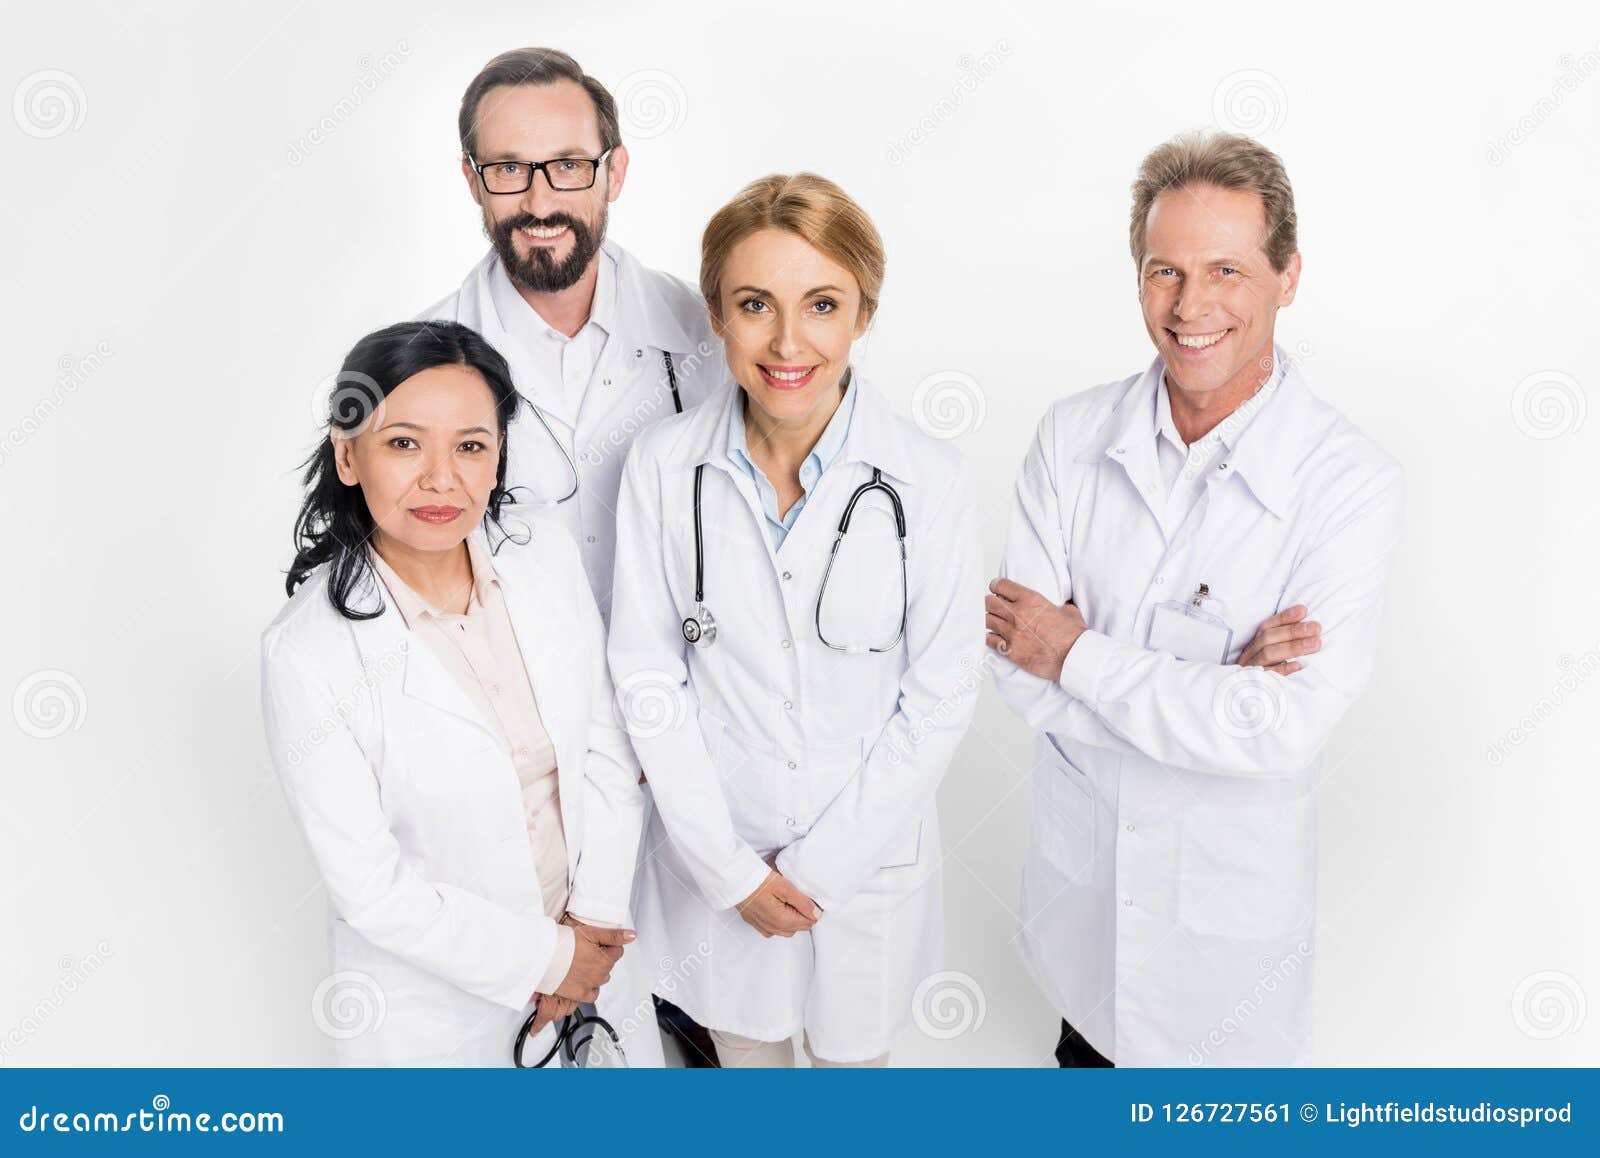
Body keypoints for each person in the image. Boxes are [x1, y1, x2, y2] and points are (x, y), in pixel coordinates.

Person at [986, 132, 1403, 1066]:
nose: (1191, 305)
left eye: (1227, 269)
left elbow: (1281, 732)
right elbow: (1015, 676)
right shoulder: (1069, 437)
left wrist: (1079, 655)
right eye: (1163, 271)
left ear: (1288, 276)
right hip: (1084, 945)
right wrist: (1216, 689)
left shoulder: (1350, 482)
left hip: (1227, 978)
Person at [607, 174, 984, 1067]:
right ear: (715, 315)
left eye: (821, 304)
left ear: (863, 313)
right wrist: (730, 870)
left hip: (867, 869)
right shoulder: (663, 468)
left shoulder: (927, 478)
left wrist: (817, 870)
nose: (788, 341)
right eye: (754, 304)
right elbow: (647, 677)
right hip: (718, 870)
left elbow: (940, 697)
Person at [260, 320, 659, 1066]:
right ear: (349, 455)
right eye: (404, 443)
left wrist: (593, 928)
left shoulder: (543, 552)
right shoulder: (305, 653)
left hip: (597, 958)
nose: (442, 479)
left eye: (471, 445)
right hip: (436, 1021)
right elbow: (373, 890)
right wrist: (549, 962)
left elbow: (606, 747)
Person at [423, 47, 723, 625]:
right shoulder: (419, 366)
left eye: (568, 165)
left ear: (615, 173)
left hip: (691, 695)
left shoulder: (710, 335)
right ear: (472, 180)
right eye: (509, 169)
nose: (540, 203)